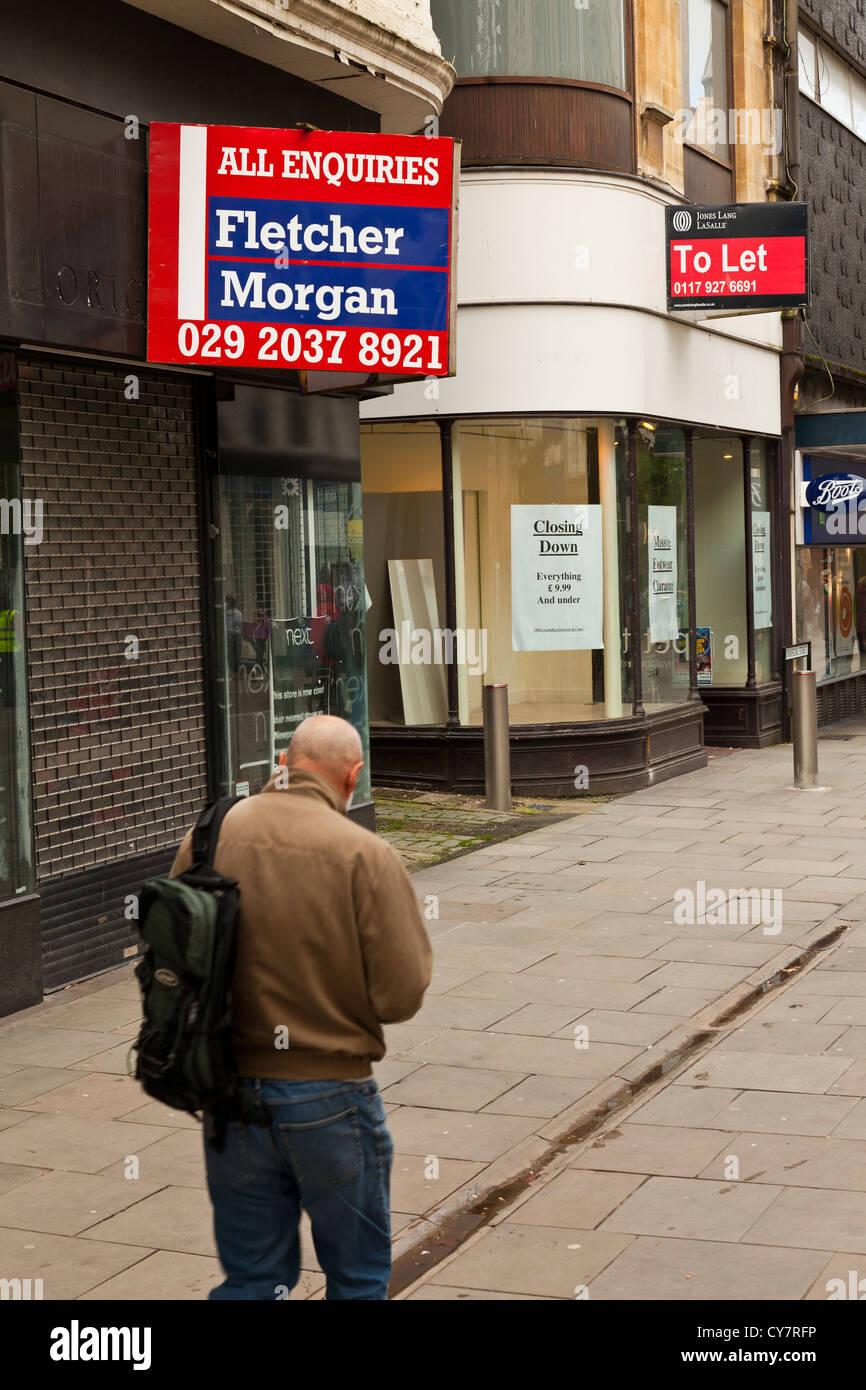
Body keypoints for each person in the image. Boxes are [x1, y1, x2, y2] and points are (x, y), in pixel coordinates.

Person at [170, 714, 432, 1301]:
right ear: (352, 776)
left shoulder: (212, 832)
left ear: (284, 764)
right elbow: (401, 993)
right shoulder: (364, 854)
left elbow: (173, 952)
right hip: (328, 1091)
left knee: (253, 1280)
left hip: (228, 1089)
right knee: (358, 1278)